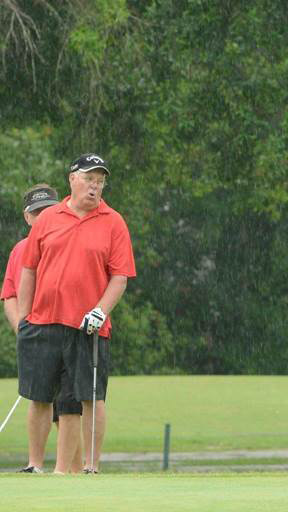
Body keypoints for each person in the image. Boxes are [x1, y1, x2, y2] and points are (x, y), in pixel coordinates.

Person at [17, 154, 136, 474]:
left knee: (90, 397)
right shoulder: (48, 219)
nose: (94, 187)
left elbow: (120, 277)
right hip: (43, 322)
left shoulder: (114, 221)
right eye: (89, 179)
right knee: (38, 396)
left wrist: (100, 311)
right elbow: (28, 269)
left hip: (88, 327)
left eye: (100, 181)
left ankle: (90, 466)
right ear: (72, 179)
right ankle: (34, 464)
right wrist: (25, 318)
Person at [1, 184, 83, 473]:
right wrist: (22, 329)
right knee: (39, 398)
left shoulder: (72, 238)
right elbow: (9, 295)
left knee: (70, 404)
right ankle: (35, 465)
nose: (44, 216)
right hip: (37, 331)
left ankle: (74, 472)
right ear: (27, 217)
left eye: (49, 209)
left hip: (71, 329)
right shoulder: (21, 249)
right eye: (38, 212)